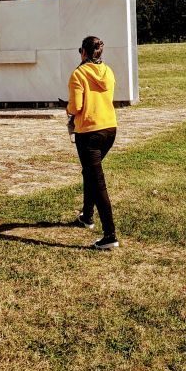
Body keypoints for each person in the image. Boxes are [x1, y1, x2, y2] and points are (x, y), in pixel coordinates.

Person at [66, 35, 119, 250]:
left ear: (84, 52)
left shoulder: (78, 74)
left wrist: (68, 110)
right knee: (90, 173)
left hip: (89, 131)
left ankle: (110, 235)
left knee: (98, 183)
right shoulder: (108, 71)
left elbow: (76, 107)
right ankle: (87, 216)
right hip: (109, 129)